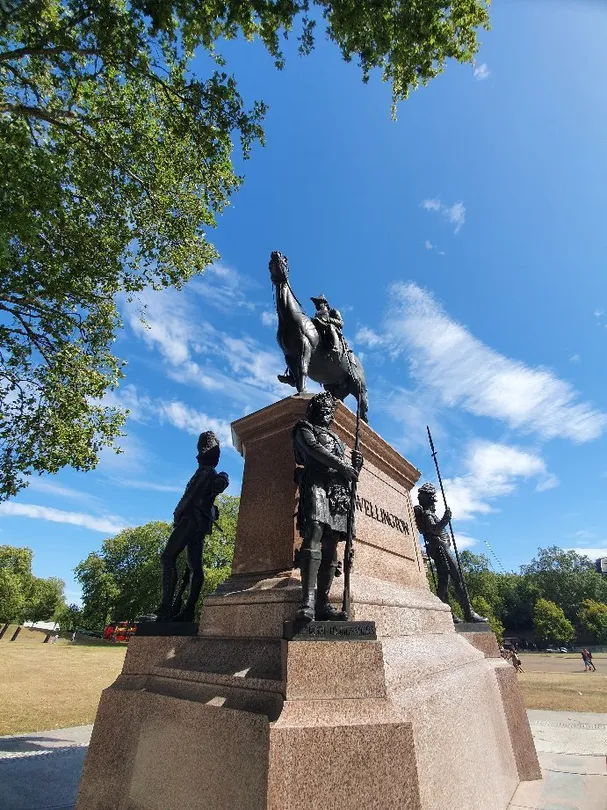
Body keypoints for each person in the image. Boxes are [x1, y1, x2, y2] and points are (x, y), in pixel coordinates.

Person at [292, 391, 362, 621]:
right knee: (314, 532)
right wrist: (344, 466)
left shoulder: (339, 441)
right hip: (316, 482)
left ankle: (323, 602)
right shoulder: (304, 428)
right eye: (322, 409)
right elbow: (313, 451)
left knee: (332, 545)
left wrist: (355, 468)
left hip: (337, 492)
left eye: (329, 410)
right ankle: (308, 602)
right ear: (314, 411)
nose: (326, 413)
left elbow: (348, 474)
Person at [157, 431, 229, 622]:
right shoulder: (210, 473)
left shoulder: (204, 472)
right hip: (199, 524)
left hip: (189, 521)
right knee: (195, 567)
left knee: (168, 557)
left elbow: (189, 497)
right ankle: (187, 610)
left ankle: (166, 608)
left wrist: (177, 513)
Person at [414, 483, 487, 624]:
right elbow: (434, 530)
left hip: (441, 548)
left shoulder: (428, 513)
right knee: (457, 579)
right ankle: (468, 613)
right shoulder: (428, 515)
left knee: (444, 582)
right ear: (430, 499)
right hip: (442, 549)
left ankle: (448, 613)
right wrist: (445, 519)